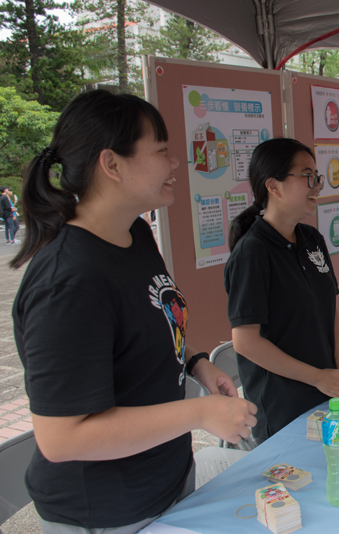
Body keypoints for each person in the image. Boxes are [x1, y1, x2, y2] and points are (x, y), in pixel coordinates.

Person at [12, 90, 256, 534]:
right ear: (112, 165)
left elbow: (151, 326)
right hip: (106, 511)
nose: (174, 163)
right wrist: (199, 415)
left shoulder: (136, 234)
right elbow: (61, 437)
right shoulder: (69, 281)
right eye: (161, 151)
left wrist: (197, 364)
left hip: (164, 480)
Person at [225, 138, 339, 444]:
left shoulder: (312, 239)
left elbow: (329, 308)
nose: (317, 185)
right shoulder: (253, 253)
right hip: (284, 409)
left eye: (316, 176)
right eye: (308, 176)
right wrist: (319, 377)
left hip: (328, 394)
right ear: (273, 186)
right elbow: (245, 342)